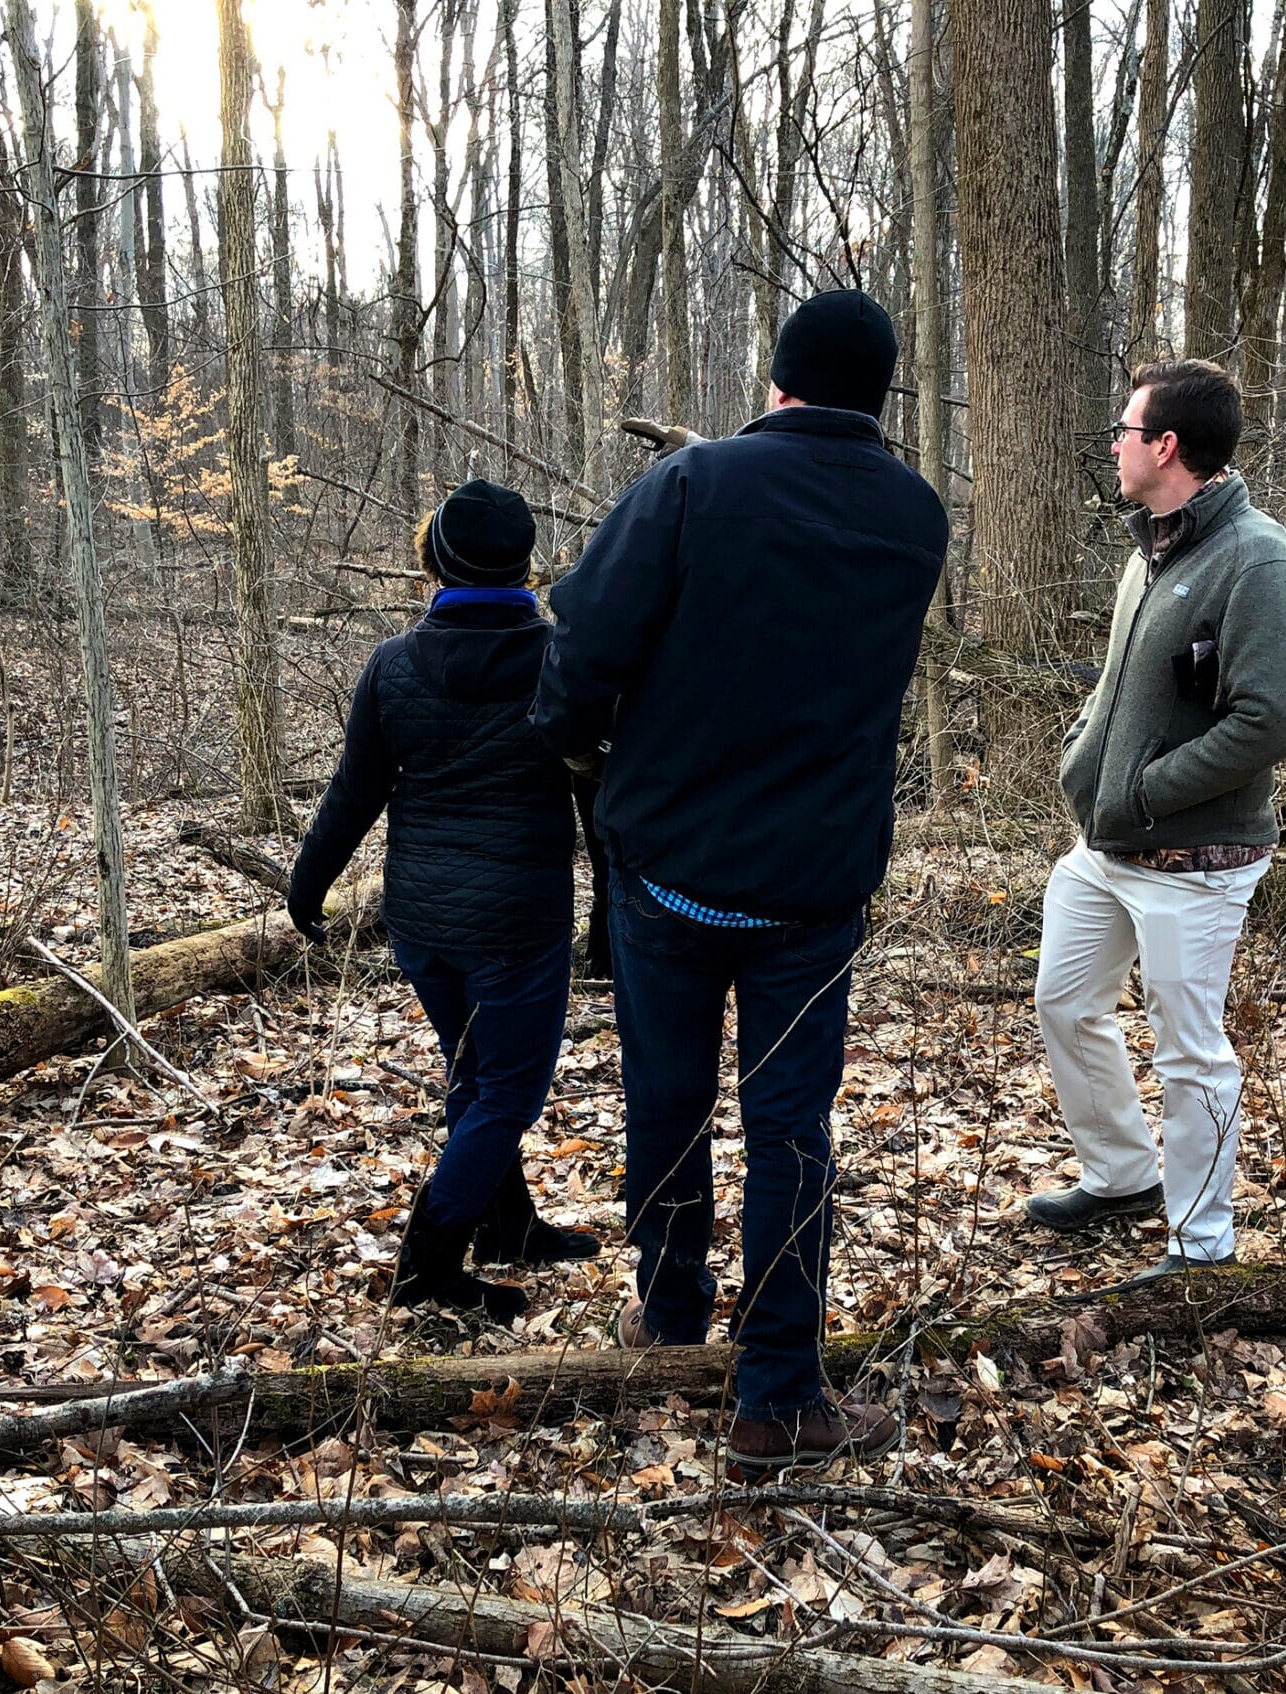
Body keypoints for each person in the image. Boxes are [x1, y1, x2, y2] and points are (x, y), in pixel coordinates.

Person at [532, 288, 948, 1470]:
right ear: (879, 397)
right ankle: (773, 1394)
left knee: (668, 1101)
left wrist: (573, 741)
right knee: (790, 1132)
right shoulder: (915, 515)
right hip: (813, 880)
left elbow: (584, 643)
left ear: (777, 383)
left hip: (669, 870)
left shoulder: (690, 484)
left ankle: (670, 1313)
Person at [1028, 359, 1286, 1279]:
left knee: (1190, 1052)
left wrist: (1149, 790)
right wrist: (1086, 757)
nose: (1112, 445)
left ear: (1166, 446)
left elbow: (1272, 718)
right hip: (1107, 847)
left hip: (1197, 855)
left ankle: (1203, 1245)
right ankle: (1121, 1175)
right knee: (1065, 1002)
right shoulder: (1153, 544)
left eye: (1124, 430)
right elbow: (1122, 686)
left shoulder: (1258, 558)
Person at [287, 479, 598, 1325]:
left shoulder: (392, 666)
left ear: (437, 563)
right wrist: (609, 916)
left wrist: (307, 884)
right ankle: (428, 1265)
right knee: (506, 1093)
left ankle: (511, 1226)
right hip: (519, 924)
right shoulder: (562, 661)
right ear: (526, 564)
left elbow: (355, 792)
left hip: (422, 924)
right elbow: (596, 806)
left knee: (477, 1076)